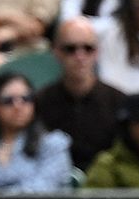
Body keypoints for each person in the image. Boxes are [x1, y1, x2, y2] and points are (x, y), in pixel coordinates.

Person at [33, 17, 128, 164]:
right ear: (56, 52)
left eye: (88, 48)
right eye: (70, 49)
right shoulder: (40, 101)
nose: (80, 56)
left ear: (97, 53)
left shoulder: (118, 101)